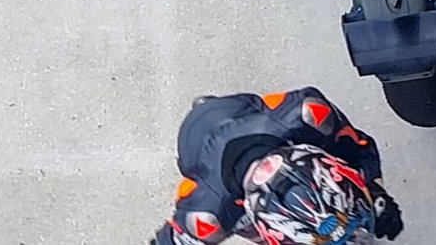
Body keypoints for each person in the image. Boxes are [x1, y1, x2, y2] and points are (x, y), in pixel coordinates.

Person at [150, 88, 403, 244]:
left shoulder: (310, 116)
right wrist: (374, 190)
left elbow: (359, 149)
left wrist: (377, 194)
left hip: (249, 114)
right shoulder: (209, 214)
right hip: (196, 147)